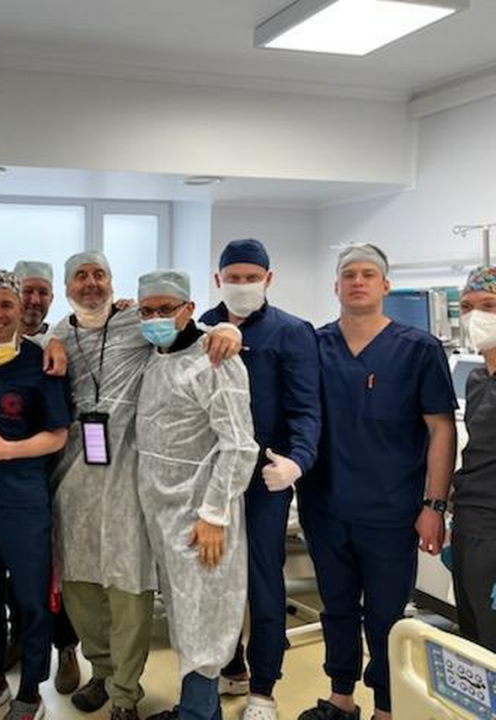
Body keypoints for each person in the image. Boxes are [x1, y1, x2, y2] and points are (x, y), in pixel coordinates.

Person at [51, 251, 242, 720]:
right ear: (67, 287)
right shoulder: (60, 335)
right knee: (83, 588)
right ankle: (104, 672)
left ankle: (127, 691)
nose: (90, 284)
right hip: (79, 478)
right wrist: (53, 339)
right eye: (81, 276)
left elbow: (238, 441)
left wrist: (229, 328)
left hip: (136, 485)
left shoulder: (152, 336)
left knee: (133, 591)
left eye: (99, 275)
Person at [297, 243, 457, 720]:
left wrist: (435, 505)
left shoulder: (418, 348)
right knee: (337, 606)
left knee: (386, 616)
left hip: (391, 510)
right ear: (336, 286)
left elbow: (441, 429)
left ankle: (387, 706)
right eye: (350, 274)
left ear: (385, 285)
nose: (359, 281)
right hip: (325, 506)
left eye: (369, 274)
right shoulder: (315, 345)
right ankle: (340, 697)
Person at [199, 239, 322, 720]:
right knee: (212, 583)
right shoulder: (199, 326)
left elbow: (307, 409)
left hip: (263, 482)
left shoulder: (292, 333)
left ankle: (263, 691)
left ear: (269, 280)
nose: (243, 285)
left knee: (264, 586)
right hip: (209, 482)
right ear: (218, 280)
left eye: (253, 277)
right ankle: (226, 668)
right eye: (235, 277)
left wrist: (296, 462)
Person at [136, 269, 259, 720]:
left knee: (203, 615)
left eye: (166, 309)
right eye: (147, 310)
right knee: (184, 613)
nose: (155, 318)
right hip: (163, 510)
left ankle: (199, 713)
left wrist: (214, 513)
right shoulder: (155, 355)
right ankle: (194, 705)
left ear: (189, 309)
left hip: (199, 512)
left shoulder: (215, 359)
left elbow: (240, 444)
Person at [0, 268, 72, 720]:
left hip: (24, 504)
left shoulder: (41, 362)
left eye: (7, 304)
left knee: (31, 600)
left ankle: (31, 692)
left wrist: (9, 450)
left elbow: (58, 434)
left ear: (22, 309)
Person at [0, 260, 82, 696]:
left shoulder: (61, 340)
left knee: (58, 564)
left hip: (57, 469)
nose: (34, 300)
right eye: (27, 291)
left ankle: (66, 647)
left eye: (42, 293)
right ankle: (19, 637)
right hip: (8, 475)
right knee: (18, 569)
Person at [451, 265, 496, 652]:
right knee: (474, 635)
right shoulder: (478, 378)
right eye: (467, 306)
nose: (475, 316)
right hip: (469, 521)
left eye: (489, 305)